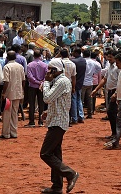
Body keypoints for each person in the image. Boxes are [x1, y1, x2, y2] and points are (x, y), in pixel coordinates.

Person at [39, 59, 79, 194]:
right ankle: (57, 186)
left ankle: (70, 173)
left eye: (50, 69)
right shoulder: (57, 81)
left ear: (55, 70)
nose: (48, 72)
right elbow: (57, 101)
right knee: (55, 153)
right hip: (55, 119)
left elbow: (47, 98)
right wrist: (48, 111)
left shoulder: (61, 81)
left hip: (58, 121)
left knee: (45, 153)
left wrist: (45, 83)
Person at [0, 50, 25, 139]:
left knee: (7, 113)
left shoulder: (7, 67)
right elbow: (23, 80)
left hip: (9, 94)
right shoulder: (20, 67)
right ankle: (14, 132)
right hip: (18, 92)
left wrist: (3, 93)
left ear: (7, 58)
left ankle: (6, 133)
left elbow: (6, 81)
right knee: (15, 113)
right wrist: (22, 91)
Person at [26, 49, 48, 127]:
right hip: (41, 86)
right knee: (41, 104)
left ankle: (31, 121)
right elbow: (47, 75)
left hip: (32, 86)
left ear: (33, 56)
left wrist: (36, 82)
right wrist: (41, 82)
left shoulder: (29, 65)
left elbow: (29, 76)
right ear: (40, 55)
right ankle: (41, 121)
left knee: (32, 104)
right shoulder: (44, 65)